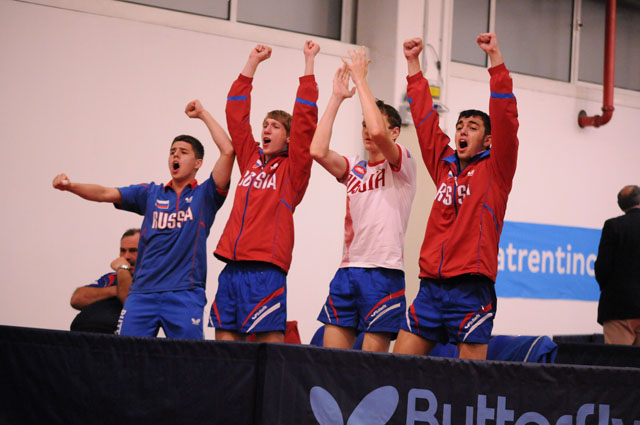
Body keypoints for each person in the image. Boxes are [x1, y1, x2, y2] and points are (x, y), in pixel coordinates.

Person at [53, 100, 234, 339]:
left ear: (198, 163)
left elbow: (228, 151)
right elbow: (106, 193)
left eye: (183, 152)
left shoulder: (205, 195)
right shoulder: (150, 193)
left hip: (184, 293)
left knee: (188, 360)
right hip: (142, 293)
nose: (175, 155)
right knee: (126, 355)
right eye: (172, 152)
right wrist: (71, 186)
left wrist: (202, 114)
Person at [393, 33, 519, 360]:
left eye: (472, 126)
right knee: (395, 366)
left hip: (470, 288)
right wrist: (412, 64)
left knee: (470, 382)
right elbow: (424, 122)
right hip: (431, 287)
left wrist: (495, 59)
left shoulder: (497, 169)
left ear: (489, 140)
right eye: (460, 125)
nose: (462, 130)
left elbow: (506, 118)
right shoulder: (444, 165)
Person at [209, 41, 320, 343]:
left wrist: (309, 63)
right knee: (225, 351)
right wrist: (252, 62)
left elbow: (306, 123)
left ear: (287, 138)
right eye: (265, 125)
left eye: (275, 126)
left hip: (265, 271)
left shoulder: (293, 170)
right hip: (232, 267)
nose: (266, 130)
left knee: (267, 354)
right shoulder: (250, 160)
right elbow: (235, 114)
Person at [310, 47, 417, 352]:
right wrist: (337, 97)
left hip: (383, 272)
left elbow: (377, 132)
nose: (367, 131)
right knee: (331, 361)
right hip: (347, 270)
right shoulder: (354, 167)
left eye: (375, 124)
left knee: (369, 366)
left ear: (395, 131)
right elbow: (317, 151)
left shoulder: (403, 164)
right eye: (363, 125)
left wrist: (361, 79)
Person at [69, 228, 140, 333]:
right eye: (122, 250)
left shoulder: (153, 281)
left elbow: (129, 301)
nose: (126, 256)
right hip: (79, 336)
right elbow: (77, 299)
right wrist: (115, 290)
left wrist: (122, 268)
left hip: (115, 341)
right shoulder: (111, 278)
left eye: (133, 251)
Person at [595, 185, 640, 345]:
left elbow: (602, 267)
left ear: (621, 205)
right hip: (620, 306)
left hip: (619, 308)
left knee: (619, 367)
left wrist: (612, 290)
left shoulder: (613, 226)